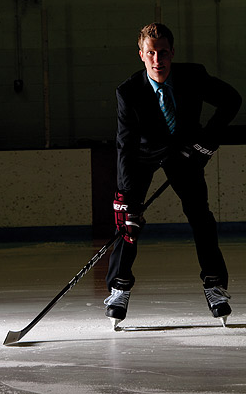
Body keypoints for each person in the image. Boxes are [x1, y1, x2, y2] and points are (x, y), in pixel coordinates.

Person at [104, 22, 242, 328]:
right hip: (143, 155)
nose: (157, 59)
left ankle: (215, 285)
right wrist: (126, 197)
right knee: (129, 223)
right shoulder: (128, 92)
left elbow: (232, 100)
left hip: (184, 153)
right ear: (141, 54)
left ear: (172, 53)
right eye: (150, 53)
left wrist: (205, 144)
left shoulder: (192, 76)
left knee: (200, 216)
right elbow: (124, 146)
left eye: (163, 52)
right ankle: (119, 287)